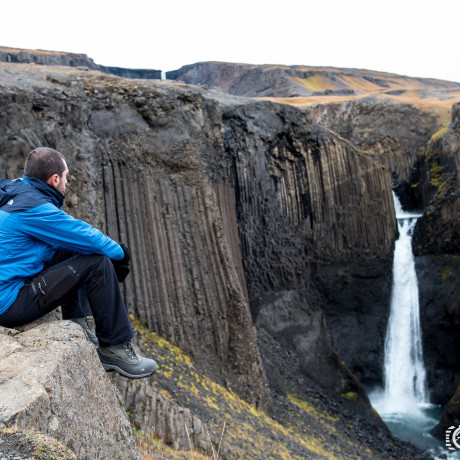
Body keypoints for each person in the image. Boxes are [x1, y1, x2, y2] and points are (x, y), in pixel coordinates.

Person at [0, 147, 157, 379]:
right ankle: (114, 348)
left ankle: (76, 320)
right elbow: (86, 236)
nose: (67, 182)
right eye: (66, 177)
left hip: (8, 282)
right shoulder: (35, 209)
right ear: (54, 179)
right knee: (96, 262)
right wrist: (121, 254)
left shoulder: (15, 191)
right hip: (7, 305)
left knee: (72, 248)